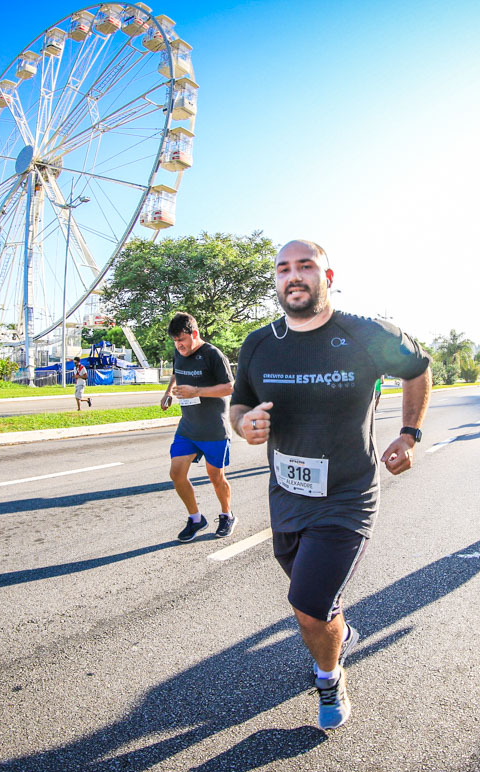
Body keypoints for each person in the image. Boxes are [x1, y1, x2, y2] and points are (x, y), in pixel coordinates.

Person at [230, 239, 432, 731]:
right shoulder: (259, 343)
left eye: (305, 266)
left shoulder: (367, 333)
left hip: (348, 494)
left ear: (328, 275)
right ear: (276, 281)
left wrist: (409, 435)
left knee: (307, 606)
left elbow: (420, 369)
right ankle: (335, 633)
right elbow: (239, 405)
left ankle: (329, 676)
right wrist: (244, 424)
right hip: (288, 495)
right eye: (283, 269)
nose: (293, 276)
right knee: (317, 605)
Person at [164, 312, 236, 542]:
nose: (179, 345)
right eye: (175, 341)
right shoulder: (179, 351)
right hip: (188, 426)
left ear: (194, 333)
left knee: (216, 477)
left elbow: (230, 387)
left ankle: (227, 515)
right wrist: (167, 393)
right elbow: (177, 371)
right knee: (176, 473)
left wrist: (197, 391)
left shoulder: (213, 354)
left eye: (182, 340)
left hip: (214, 427)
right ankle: (196, 519)